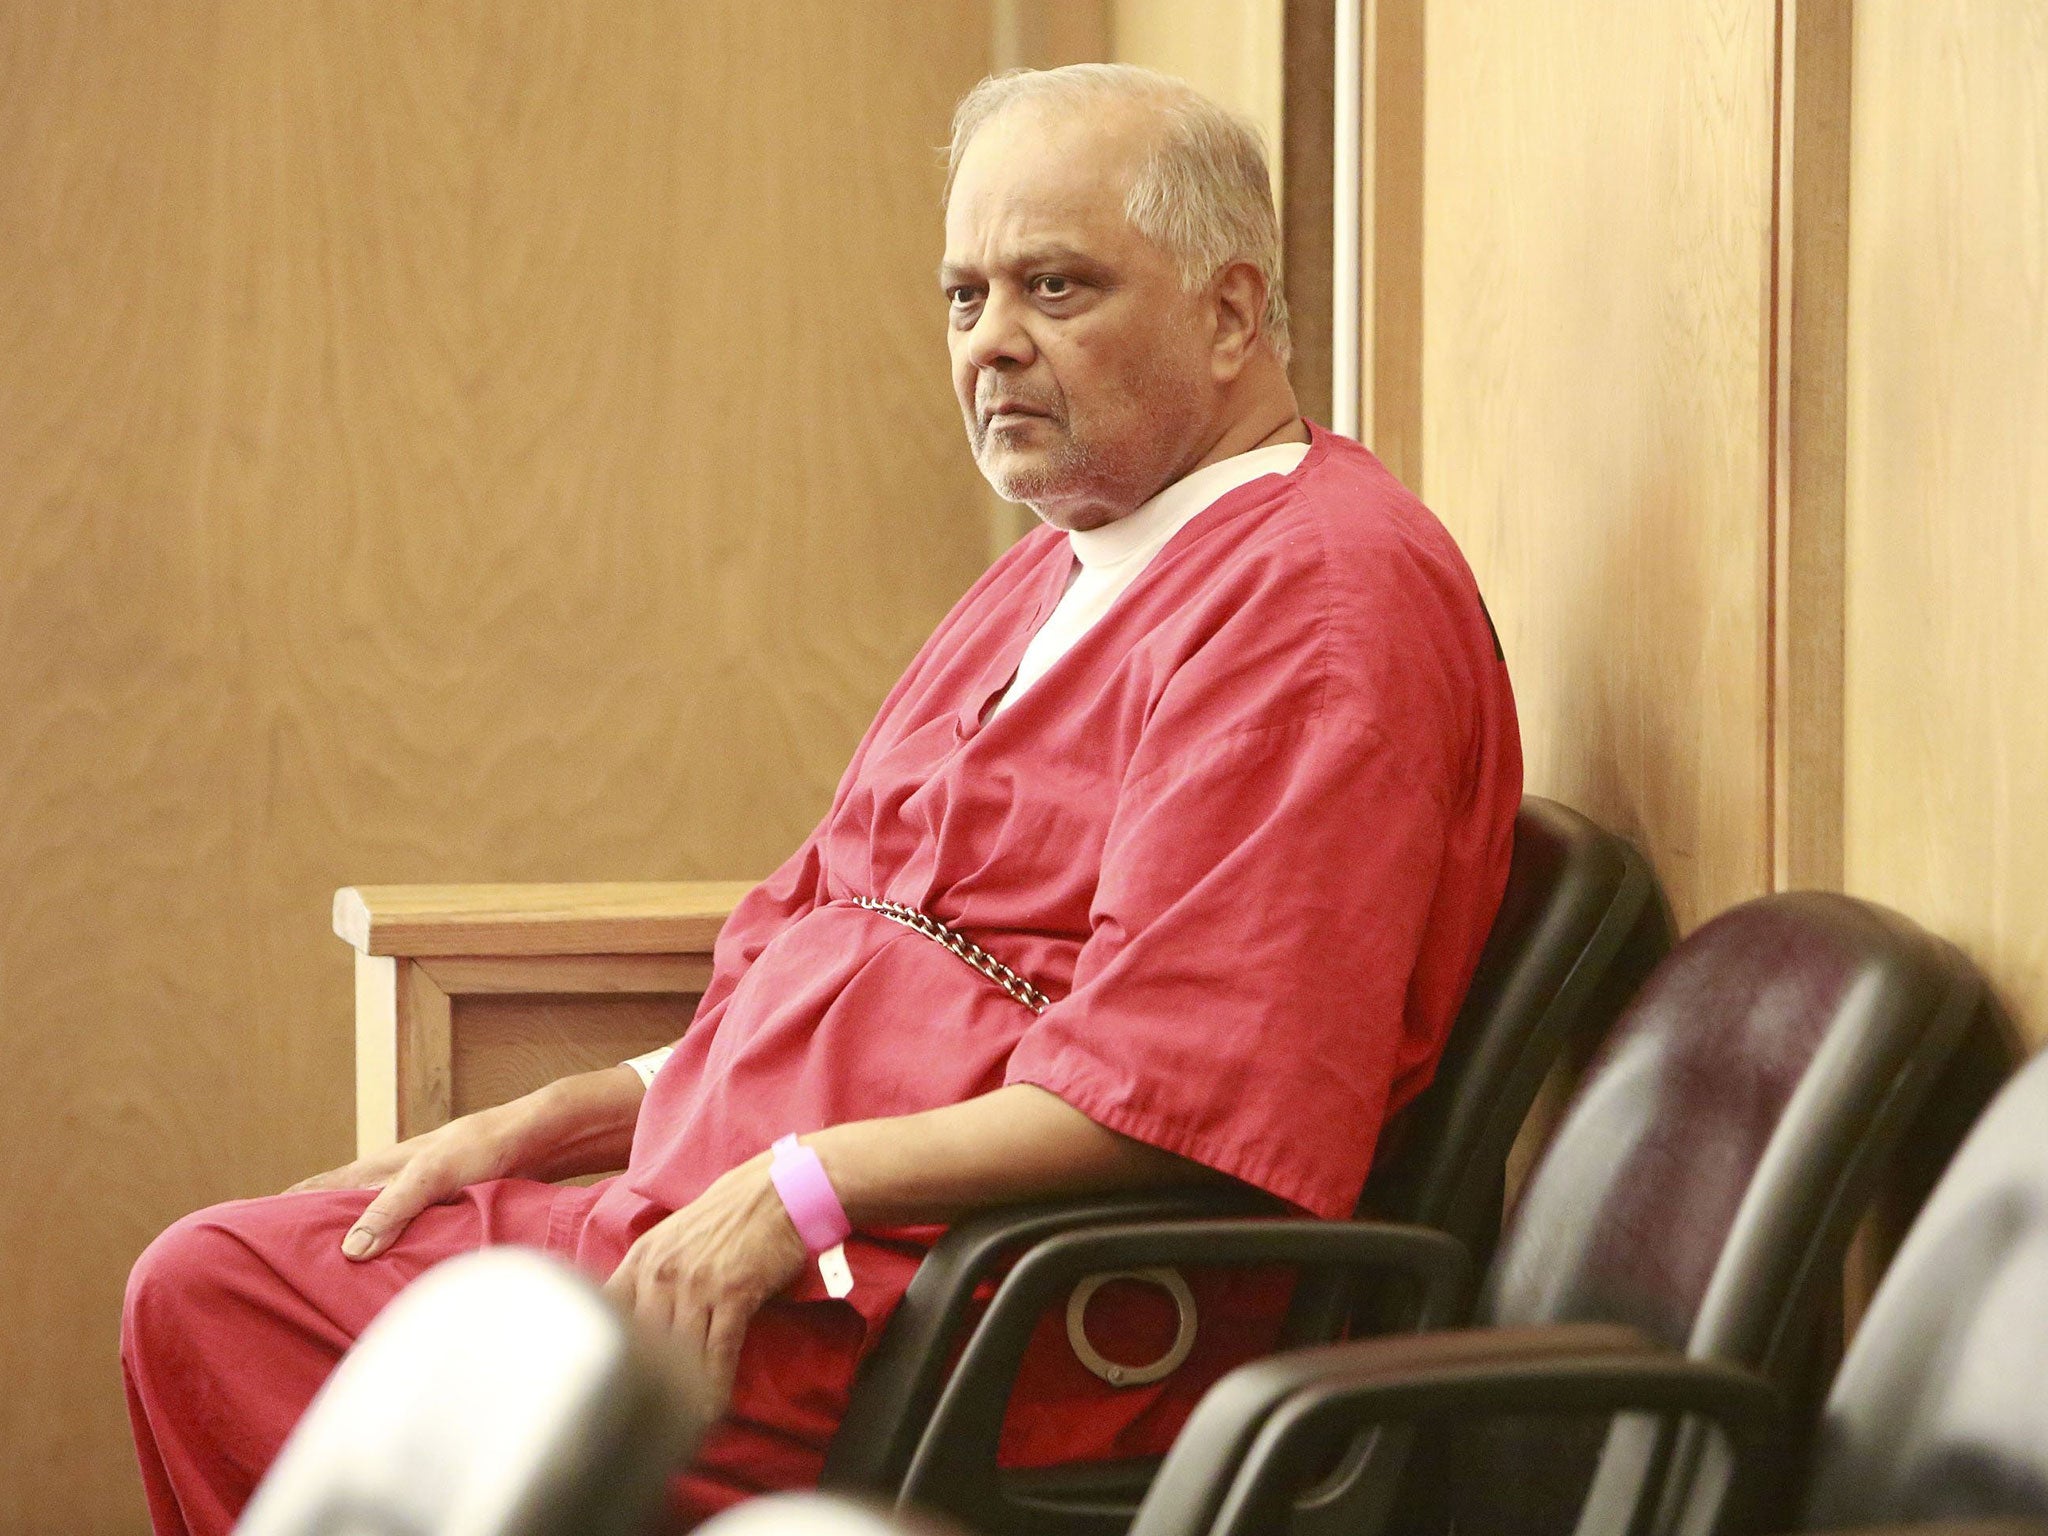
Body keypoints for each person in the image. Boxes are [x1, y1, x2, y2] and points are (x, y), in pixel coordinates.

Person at [121, 63, 1521, 1533]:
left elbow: (1179, 1091)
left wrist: (794, 1190)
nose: (994, 346)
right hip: (762, 1234)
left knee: (252, 1323)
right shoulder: (1059, 566)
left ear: (1231, 316)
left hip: (984, 1318)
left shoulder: (1318, 597)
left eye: (1056, 288)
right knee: (228, 1275)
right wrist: (570, 1110)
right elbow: (841, 935)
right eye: (964, 298)